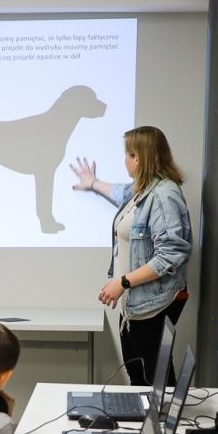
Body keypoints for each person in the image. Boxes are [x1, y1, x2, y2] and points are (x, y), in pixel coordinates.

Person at [69, 126, 193, 386]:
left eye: (128, 154)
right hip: (136, 306)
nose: (125, 160)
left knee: (155, 382)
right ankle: (145, 426)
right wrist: (92, 183)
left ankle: (161, 427)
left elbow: (171, 255)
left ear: (139, 158)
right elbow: (119, 193)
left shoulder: (164, 195)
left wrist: (122, 282)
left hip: (153, 305)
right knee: (140, 378)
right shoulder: (142, 190)